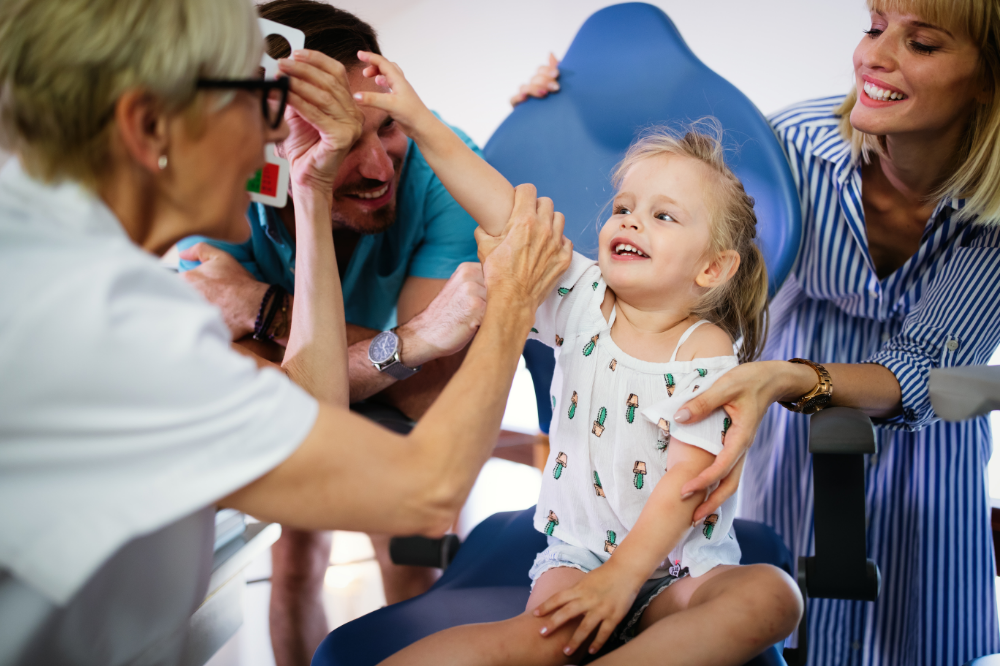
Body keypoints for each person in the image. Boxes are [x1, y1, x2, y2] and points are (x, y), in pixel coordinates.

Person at [0, 0, 571, 664]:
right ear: (150, 126)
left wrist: (311, 185)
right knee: (306, 551)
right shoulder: (111, 325)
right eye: (257, 106)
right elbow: (425, 490)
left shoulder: (63, 269)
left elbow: (313, 403)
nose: (271, 142)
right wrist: (511, 301)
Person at [522, 0, 1000, 662]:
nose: (874, 55)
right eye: (874, 25)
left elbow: (932, 371)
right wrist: (556, 114)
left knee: (920, 637)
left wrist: (785, 377)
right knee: (773, 624)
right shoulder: (796, 146)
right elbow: (672, 219)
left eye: (920, 43)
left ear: (988, 75)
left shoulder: (993, 211)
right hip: (773, 418)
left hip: (925, 443)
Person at [350, 52, 802, 665]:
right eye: (624, 207)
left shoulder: (705, 350)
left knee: (774, 596)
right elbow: (506, 213)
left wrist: (624, 583)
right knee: (537, 637)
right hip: (580, 558)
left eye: (662, 215)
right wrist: (417, 118)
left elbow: (685, 488)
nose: (631, 219)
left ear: (712, 268)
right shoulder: (582, 300)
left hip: (679, 569)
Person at [175, 4, 487, 659]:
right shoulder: (224, 190)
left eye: (386, 128)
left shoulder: (445, 171)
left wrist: (263, 308)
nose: (377, 169)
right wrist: (409, 344)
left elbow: (433, 402)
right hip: (307, 415)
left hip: (404, 426)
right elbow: (266, 398)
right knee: (289, 562)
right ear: (266, 149)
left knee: (412, 556)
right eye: (340, 143)